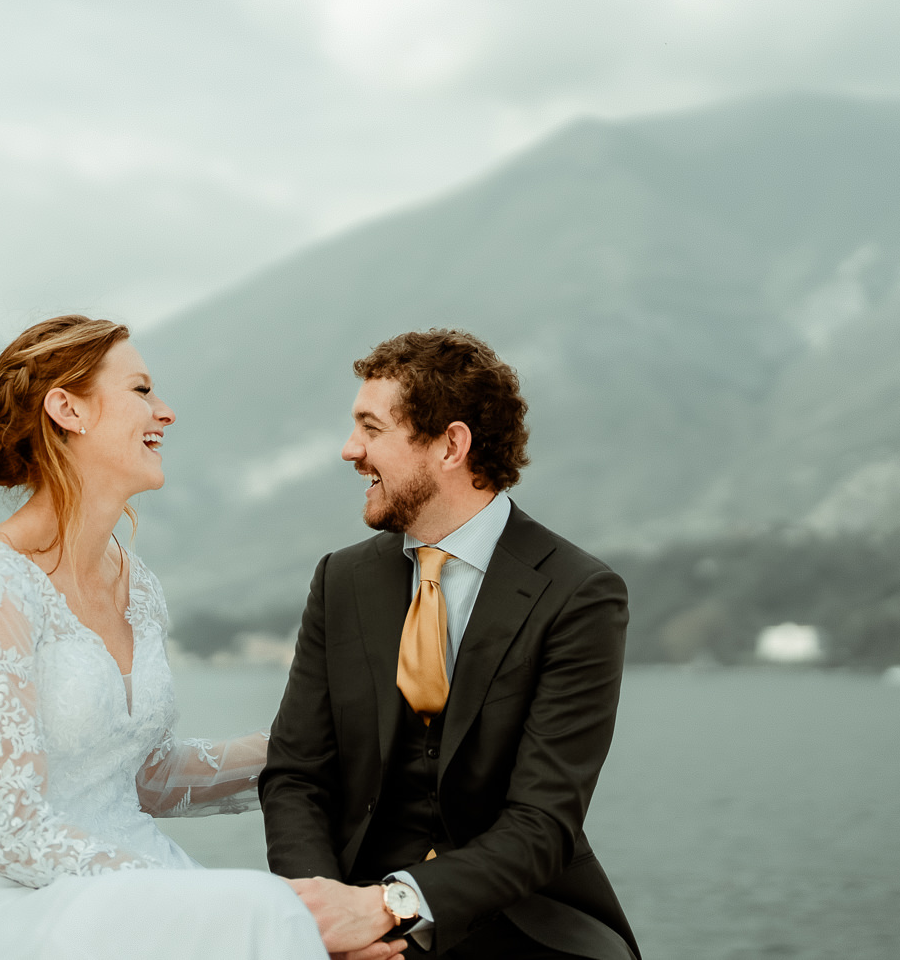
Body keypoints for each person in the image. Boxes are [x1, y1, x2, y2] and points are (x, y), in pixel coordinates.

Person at [0, 315, 402, 960]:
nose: (165, 411)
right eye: (141, 390)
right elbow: (17, 836)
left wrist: (322, 747)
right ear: (67, 410)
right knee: (271, 913)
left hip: (126, 893)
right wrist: (210, 906)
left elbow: (147, 776)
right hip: (10, 911)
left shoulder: (136, 583)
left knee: (282, 916)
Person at [261, 330, 641, 960]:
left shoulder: (580, 593)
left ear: (450, 445)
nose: (350, 449)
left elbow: (543, 822)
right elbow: (296, 775)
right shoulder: (340, 579)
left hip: (524, 917)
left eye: (371, 428)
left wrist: (390, 907)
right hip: (348, 912)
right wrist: (326, 916)